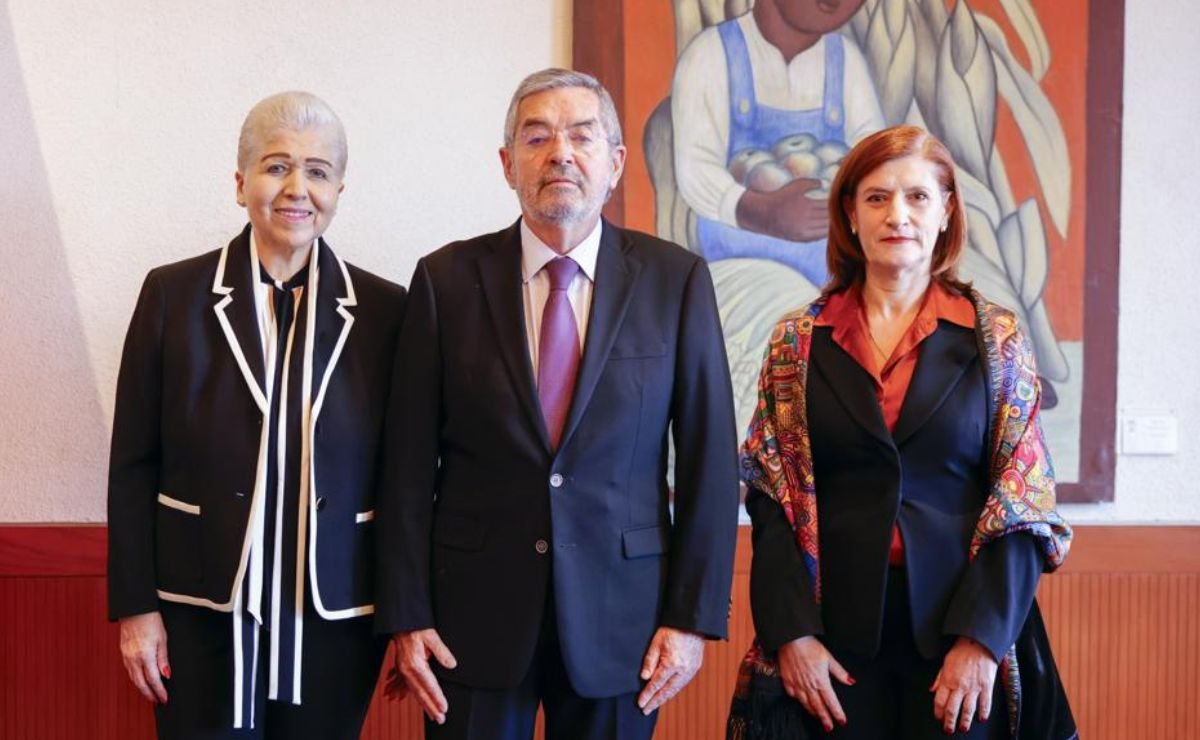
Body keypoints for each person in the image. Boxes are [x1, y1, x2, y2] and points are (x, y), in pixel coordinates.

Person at [374, 68, 740, 740]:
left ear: (616, 162)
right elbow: (404, 464)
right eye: (537, 137)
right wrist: (407, 613)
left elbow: (710, 462)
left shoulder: (675, 280)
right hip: (469, 619)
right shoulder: (445, 280)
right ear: (508, 163)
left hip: (624, 620)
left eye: (581, 135)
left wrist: (691, 619)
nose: (560, 153)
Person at [727, 125, 1073, 739]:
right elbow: (771, 496)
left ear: (945, 213)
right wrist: (792, 634)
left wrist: (983, 641)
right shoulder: (796, 343)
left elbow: (1022, 502)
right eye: (877, 197)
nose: (898, 215)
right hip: (831, 645)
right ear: (851, 217)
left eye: (917, 197)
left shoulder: (997, 340)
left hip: (961, 638)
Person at [107, 91, 406, 739]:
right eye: (276, 166)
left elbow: (405, 476)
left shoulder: (388, 312)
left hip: (334, 616)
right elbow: (133, 463)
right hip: (198, 608)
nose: (297, 187)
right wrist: (135, 609)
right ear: (241, 183)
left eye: (318, 171)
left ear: (340, 188)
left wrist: (407, 615)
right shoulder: (173, 296)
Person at [670, 0, 885, 431]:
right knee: (798, 332)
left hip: (834, 257)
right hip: (743, 258)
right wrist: (761, 210)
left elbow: (874, 155)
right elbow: (695, 167)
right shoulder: (712, 55)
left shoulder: (846, 62)